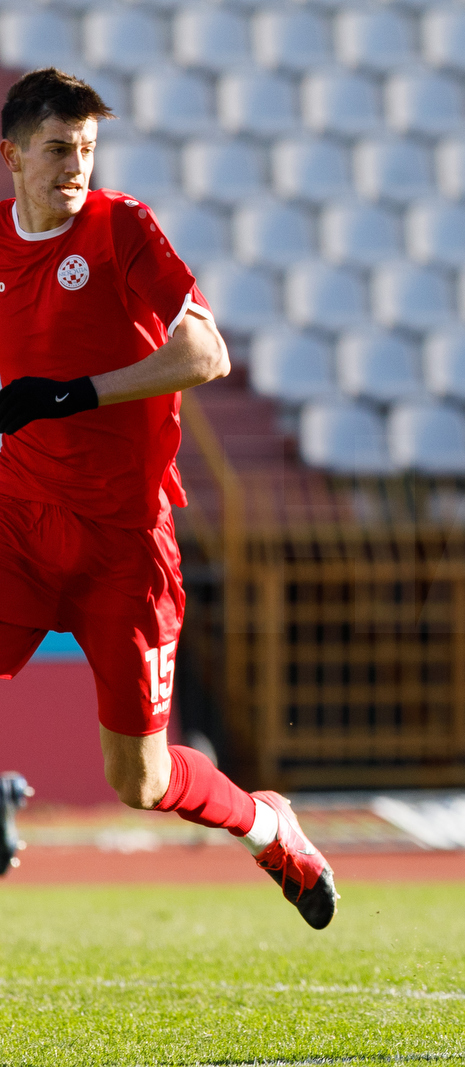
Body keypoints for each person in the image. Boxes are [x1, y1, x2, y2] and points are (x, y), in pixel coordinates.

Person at [0, 68, 338, 928]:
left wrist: (69, 393)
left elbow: (206, 353)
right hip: (23, 525)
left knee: (139, 782)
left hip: (125, 541)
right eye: (57, 150)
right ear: (12, 157)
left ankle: (270, 825)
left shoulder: (122, 229)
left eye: (86, 150)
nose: (76, 168)